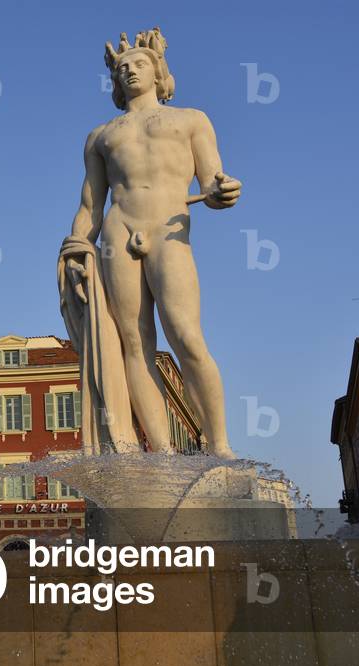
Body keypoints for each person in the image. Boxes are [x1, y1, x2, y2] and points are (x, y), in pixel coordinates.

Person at [59, 27, 241, 455]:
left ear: (159, 72)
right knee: (133, 343)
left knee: (185, 335)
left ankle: (220, 447)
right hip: (116, 233)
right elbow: (90, 203)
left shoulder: (191, 120)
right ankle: (162, 455)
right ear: (115, 82)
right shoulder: (101, 136)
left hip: (168, 228)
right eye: (122, 67)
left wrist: (223, 191)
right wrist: (75, 248)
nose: (129, 70)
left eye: (139, 63)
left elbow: (214, 181)